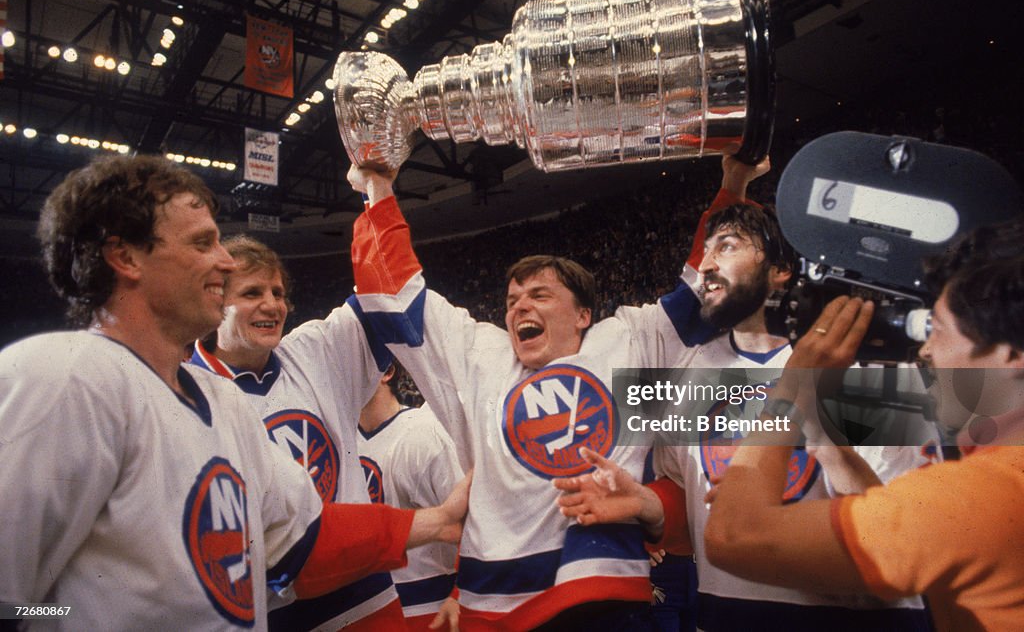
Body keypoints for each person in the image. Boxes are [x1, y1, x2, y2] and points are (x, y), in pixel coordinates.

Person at [0, 156, 467, 630]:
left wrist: (438, 521)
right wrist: (73, 617)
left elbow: (301, 537)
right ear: (124, 258)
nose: (224, 261)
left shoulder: (217, 399)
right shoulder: (62, 376)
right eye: (204, 243)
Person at [344, 152, 768, 629]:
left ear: (583, 314)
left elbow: (700, 291)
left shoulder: (623, 343)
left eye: (539, 295)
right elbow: (394, 298)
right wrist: (377, 190)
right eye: (511, 300)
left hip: (603, 600)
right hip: (494, 611)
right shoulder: (481, 357)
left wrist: (733, 183)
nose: (520, 306)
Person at [554, 162, 939, 629]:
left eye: (729, 246)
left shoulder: (867, 366)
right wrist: (644, 503)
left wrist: (824, 441)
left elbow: (908, 535)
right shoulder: (686, 375)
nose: (709, 264)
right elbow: (690, 510)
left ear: (780, 271)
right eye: (708, 251)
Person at [701, 215, 1024, 631]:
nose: (926, 351)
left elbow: (733, 537)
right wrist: (829, 446)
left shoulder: (986, 497)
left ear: (1013, 352)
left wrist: (793, 391)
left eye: (938, 330)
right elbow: (904, 531)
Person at [189, 233, 408, 630]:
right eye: (253, 292)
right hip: (267, 614)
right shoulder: (182, 390)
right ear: (214, 300)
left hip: (364, 597)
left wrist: (374, 192)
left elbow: (386, 290)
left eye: (278, 292)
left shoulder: (314, 350)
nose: (272, 304)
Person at [358, 363, 463, 630]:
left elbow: (471, 524)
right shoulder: (340, 439)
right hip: (367, 612)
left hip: (427, 612)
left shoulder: (422, 435)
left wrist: (460, 594)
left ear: (386, 372)